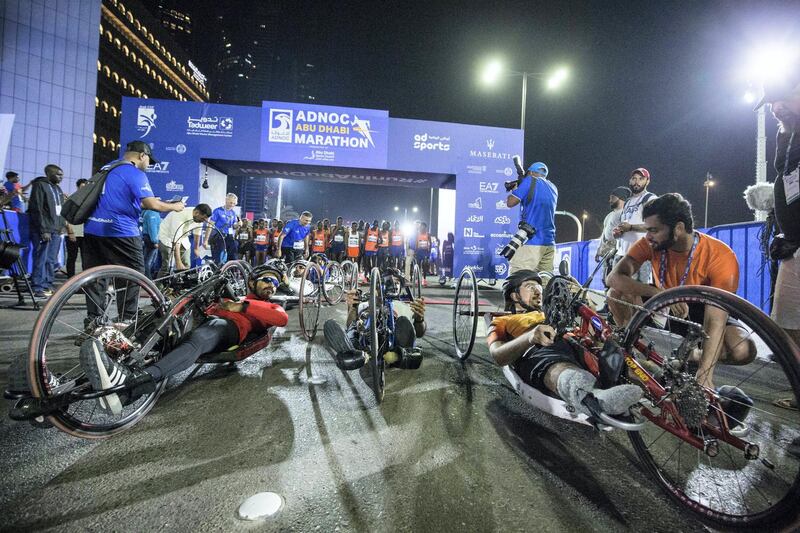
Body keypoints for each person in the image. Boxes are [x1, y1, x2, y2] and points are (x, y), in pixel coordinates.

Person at [79, 265, 289, 414]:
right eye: (268, 279)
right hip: (199, 318)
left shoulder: (269, 305)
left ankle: (129, 389)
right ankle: (65, 387)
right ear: (252, 281)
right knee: (151, 326)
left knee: (202, 337)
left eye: (276, 282)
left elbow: (281, 318)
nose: (272, 285)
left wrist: (240, 306)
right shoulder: (233, 295)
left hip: (229, 328)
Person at [606, 193, 756, 389]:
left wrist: (704, 375)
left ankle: (693, 355)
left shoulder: (720, 255)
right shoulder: (651, 243)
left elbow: (715, 319)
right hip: (665, 302)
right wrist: (660, 294)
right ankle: (635, 355)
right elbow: (613, 278)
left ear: (678, 228)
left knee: (743, 350)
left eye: (654, 230)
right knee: (615, 294)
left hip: (703, 310)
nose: (648, 236)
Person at [487, 270, 644, 417]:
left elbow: (594, 334)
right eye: (530, 287)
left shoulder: (552, 312)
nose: (538, 291)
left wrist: (585, 302)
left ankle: (663, 387)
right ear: (515, 296)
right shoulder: (502, 320)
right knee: (555, 361)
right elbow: (498, 355)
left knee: (619, 357)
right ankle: (595, 399)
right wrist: (530, 337)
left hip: (577, 343)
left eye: (538, 286)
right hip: (540, 350)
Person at [83, 141, 184, 325]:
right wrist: (175, 206)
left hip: (92, 230)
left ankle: (93, 321)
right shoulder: (134, 172)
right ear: (141, 155)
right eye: (149, 161)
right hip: (121, 231)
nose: (148, 166)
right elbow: (153, 205)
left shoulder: (107, 168)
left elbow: (141, 202)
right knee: (133, 275)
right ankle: (127, 320)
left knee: (96, 277)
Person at [755, 65, 800, 410]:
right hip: (793, 244)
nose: (775, 108)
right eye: (771, 104)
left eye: (781, 100)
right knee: (784, 324)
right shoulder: (786, 136)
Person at [323, 268, 426, 371]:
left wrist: (419, 319)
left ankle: (401, 356)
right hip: (364, 344)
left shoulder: (406, 307)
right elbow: (350, 324)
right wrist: (353, 308)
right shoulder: (365, 304)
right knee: (332, 325)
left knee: (403, 321)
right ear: (377, 286)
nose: (393, 285)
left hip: (395, 346)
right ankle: (352, 354)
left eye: (396, 282)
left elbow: (420, 332)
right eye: (389, 281)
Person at [506, 161, 558, 273]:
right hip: (549, 242)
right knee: (545, 280)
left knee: (518, 276)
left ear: (530, 172)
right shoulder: (553, 187)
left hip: (532, 241)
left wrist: (516, 189)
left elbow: (510, 203)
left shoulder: (529, 181)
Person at [612, 168, 657, 283]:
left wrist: (631, 227)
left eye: (641, 179)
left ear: (647, 181)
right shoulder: (627, 201)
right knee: (617, 291)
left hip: (639, 255)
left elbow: (655, 226)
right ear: (630, 181)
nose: (636, 182)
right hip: (622, 254)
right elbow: (625, 225)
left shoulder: (650, 198)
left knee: (637, 294)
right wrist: (618, 232)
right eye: (634, 178)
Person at [27, 164, 65, 299]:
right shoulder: (40, 185)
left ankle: (48, 284)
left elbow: (61, 210)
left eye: (62, 175)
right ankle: (37, 286)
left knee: (51, 259)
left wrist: (61, 227)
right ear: (49, 173)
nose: (62, 177)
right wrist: (44, 229)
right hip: (44, 230)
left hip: (56, 230)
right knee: (41, 258)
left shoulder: (58, 188)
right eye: (58, 174)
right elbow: (36, 208)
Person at [595, 186, 630, 303]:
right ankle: (608, 303)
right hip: (606, 252)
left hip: (616, 252)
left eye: (612, 198)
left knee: (614, 279)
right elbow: (604, 233)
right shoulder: (610, 215)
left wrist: (616, 249)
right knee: (605, 278)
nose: (610, 200)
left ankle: (614, 304)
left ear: (620, 198)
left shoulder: (625, 214)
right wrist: (599, 249)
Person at [157, 204, 212, 275]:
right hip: (167, 238)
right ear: (196, 213)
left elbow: (197, 232)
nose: (203, 221)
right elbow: (175, 239)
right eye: (202, 219)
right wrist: (178, 262)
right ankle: (158, 285)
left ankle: (182, 285)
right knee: (167, 268)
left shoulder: (200, 217)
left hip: (183, 239)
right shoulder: (179, 215)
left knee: (186, 267)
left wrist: (196, 248)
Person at [204, 193, 240, 264]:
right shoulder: (217, 211)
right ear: (226, 200)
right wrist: (206, 240)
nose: (232, 205)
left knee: (232, 256)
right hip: (219, 237)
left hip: (229, 237)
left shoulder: (233, 213)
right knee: (219, 259)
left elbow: (234, 226)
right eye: (231, 202)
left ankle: (231, 271)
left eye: (234, 203)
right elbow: (210, 225)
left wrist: (238, 224)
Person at [65, 178, 88, 278]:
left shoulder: (89, 199)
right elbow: (65, 217)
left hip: (86, 233)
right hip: (74, 232)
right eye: (82, 187)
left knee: (86, 258)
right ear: (78, 187)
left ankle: (84, 279)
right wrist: (70, 232)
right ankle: (70, 279)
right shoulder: (72, 200)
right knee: (72, 257)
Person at [141, 207, 161, 279]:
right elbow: (152, 228)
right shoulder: (152, 213)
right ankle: (148, 281)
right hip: (151, 239)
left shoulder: (146, 212)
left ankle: (146, 279)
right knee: (148, 262)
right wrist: (155, 241)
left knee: (146, 260)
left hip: (147, 238)